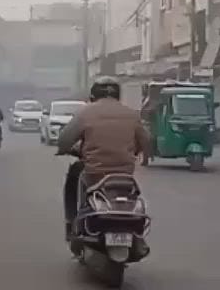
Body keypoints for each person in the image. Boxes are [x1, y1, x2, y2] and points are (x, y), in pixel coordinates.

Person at [56, 76, 151, 245]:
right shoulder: (131, 114)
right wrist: (134, 151)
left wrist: (67, 149)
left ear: (93, 96)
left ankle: (72, 225)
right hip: (125, 174)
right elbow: (147, 142)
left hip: (94, 174)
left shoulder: (85, 113)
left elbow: (63, 141)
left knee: (74, 177)